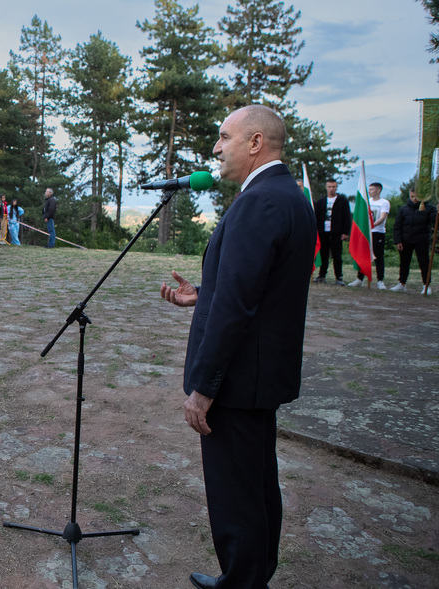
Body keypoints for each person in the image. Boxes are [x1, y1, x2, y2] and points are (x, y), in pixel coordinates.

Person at [160, 105, 315, 589]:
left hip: (238, 379)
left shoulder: (259, 202)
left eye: (224, 137)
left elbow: (238, 306)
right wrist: (204, 294)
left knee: (236, 493)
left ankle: (243, 583)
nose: (216, 147)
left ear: (255, 143)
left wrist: (204, 388)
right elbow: (255, 288)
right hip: (260, 373)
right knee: (256, 484)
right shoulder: (288, 196)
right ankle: (251, 576)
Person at [391, 186, 437, 294]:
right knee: (404, 262)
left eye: (416, 197)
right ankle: (402, 283)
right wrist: (398, 240)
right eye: (412, 196)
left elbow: (435, 221)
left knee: (424, 262)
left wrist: (437, 213)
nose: (414, 199)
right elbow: (397, 226)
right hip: (405, 239)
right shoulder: (404, 209)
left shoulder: (429, 208)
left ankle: (426, 285)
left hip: (421, 239)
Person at [348, 182, 390, 289]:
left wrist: (372, 225)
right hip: (366, 233)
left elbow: (382, 217)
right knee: (363, 254)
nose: (369, 191)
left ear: (378, 190)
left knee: (378, 256)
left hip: (378, 232)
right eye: (369, 189)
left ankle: (380, 280)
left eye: (371, 189)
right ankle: (360, 278)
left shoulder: (384, 202)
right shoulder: (367, 202)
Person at [313, 178, 351, 285]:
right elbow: (316, 216)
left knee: (337, 256)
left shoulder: (342, 201)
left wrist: (345, 232)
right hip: (323, 232)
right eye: (329, 187)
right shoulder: (321, 201)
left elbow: (347, 217)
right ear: (326, 187)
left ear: (336, 187)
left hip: (336, 232)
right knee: (323, 255)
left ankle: (339, 276)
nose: (331, 189)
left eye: (333, 187)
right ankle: (322, 275)